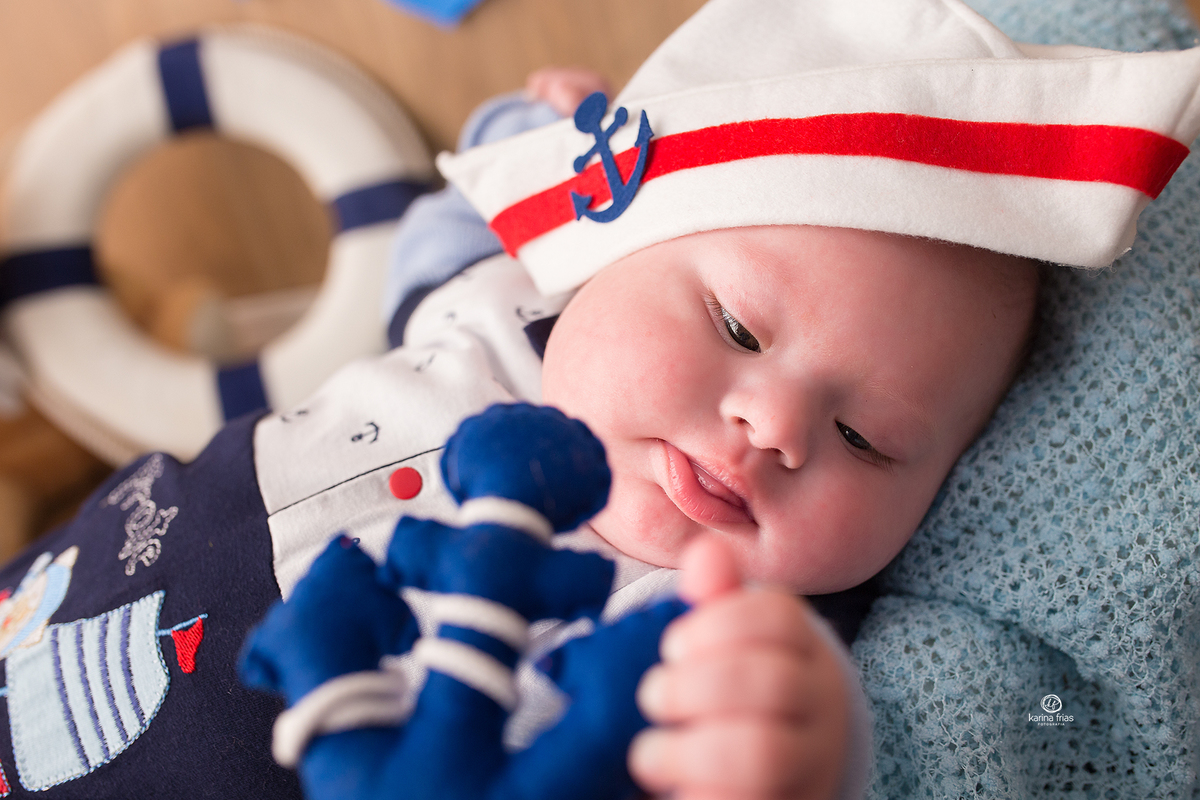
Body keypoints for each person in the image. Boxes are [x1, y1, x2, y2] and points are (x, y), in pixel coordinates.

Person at [0, 0, 1196, 798]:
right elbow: (446, 236)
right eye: (737, 327)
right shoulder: (507, 300)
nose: (777, 426)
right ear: (599, 254)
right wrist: (529, 131)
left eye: (866, 438)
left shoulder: (721, 638)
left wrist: (816, 747)